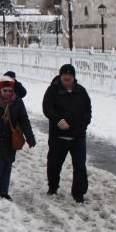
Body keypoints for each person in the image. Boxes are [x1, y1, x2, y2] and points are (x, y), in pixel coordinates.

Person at [43, 63, 92, 203]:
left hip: (78, 137)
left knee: (80, 166)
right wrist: (58, 120)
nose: (67, 77)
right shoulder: (53, 90)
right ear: (60, 75)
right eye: (65, 74)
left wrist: (84, 124)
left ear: (74, 77)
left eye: (70, 75)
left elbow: (88, 110)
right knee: (54, 164)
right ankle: (53, 187)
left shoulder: (81, 91)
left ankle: (79, 194)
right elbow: (47, 108)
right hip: (59, 136)